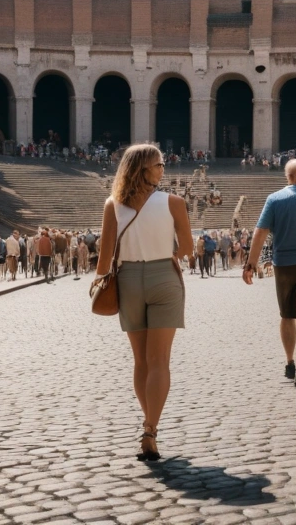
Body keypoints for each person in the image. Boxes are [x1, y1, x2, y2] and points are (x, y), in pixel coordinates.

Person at [93, 144, 193, 461]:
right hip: (165, 276)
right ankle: (150, 429)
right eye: (159, 164)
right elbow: (188, 247)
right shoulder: (174, 203)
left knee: (141, 361)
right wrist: (171, 255)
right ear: (145, 169)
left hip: (128, 280)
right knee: (160, 360)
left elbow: (104, 259)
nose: (164, 169)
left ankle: (149, 423)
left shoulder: (113, 205)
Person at [243, 159, 296, 387]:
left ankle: (289, 362)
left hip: (283, 265)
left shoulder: (274, 199)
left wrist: (250, 264)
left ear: (287, 177)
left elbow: (261, 231)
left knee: (287, 314)